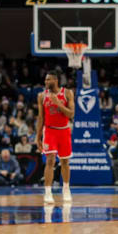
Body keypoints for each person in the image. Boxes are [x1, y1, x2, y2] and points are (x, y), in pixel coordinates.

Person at [36, 70, 75, 204]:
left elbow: (71, 114)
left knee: (64, 161)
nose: (46, 82)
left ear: (56, 80)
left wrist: (58, 103)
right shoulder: (41, 96)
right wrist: (38, 136)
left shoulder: (67, 93)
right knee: (50, 160)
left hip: (64, 131)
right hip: (50, 131)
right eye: (45, 80)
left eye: (49, 80)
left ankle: (66, 189)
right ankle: (47, 192)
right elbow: (41, 117)